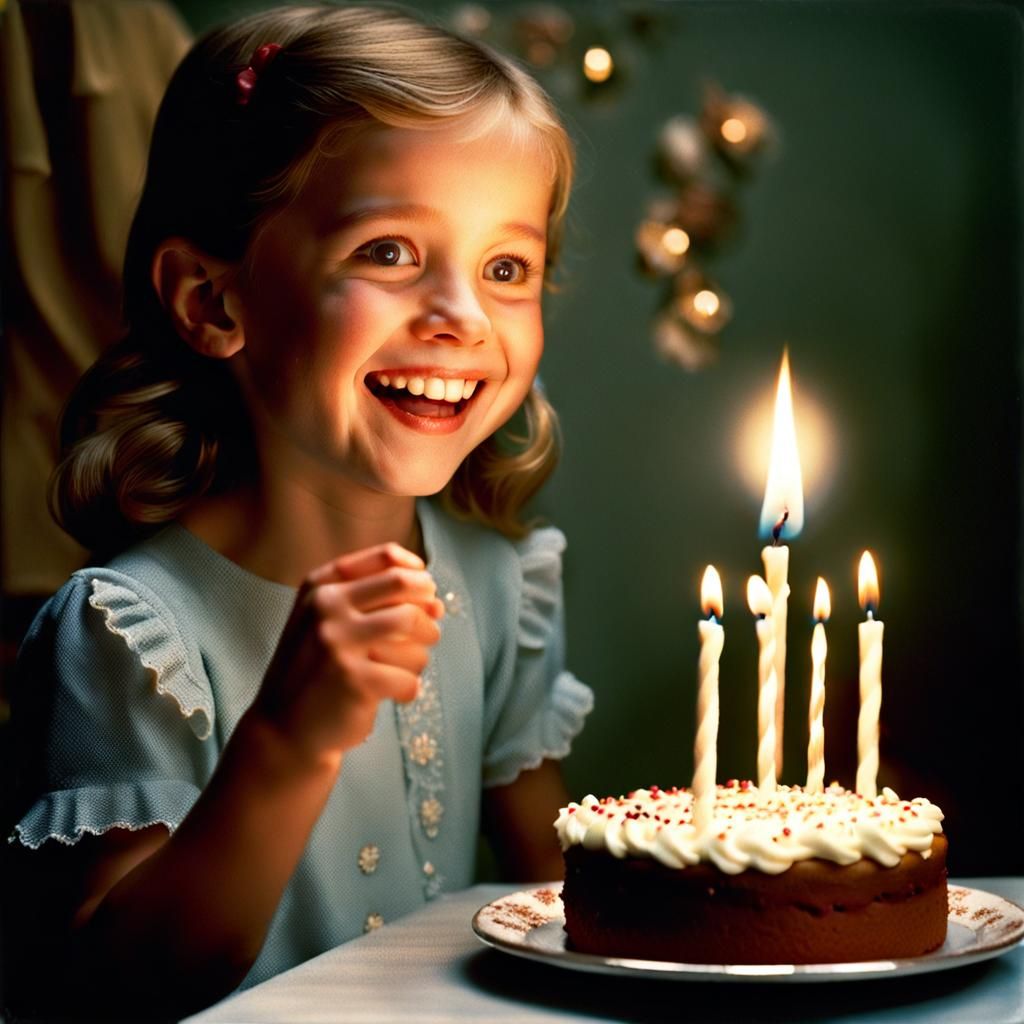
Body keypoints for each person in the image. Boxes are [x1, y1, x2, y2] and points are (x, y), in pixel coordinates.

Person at [2, 4, 592, 1019]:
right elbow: (108, 991)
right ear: (212, 301)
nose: (459, 317)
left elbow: (559, 897)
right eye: (389, 253)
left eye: (506, 269)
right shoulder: (131, 632)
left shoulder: (501, 587)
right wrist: (285, 742)